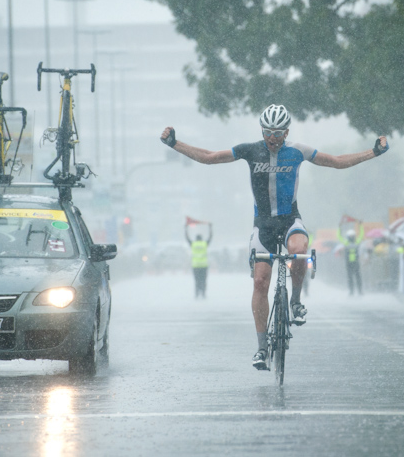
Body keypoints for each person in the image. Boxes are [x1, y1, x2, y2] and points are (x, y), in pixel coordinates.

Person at [159, 104, 389, 370]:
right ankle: (260, 348)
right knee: (260, 282)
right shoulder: (250, 150)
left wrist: (373, 152)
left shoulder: (298, 151)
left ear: (287, 132)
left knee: (300, 249)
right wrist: (175, 143)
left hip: (291, 219)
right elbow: (210, 157)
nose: (273, 138)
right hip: (263, 226)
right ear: (262, 131)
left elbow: (336, 162)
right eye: (269, 132)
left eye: (279, 133)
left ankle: (296, 301)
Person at [185, 222, 213, 298]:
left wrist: (186, 228)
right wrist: (210, 228)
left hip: (196, 266)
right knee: (203, 281)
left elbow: (187, 238)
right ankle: (203, 293)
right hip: (204, 266)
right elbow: (210, 237)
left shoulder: (193, 244)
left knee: (197, 281)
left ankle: (197, 294)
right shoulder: (204, 244)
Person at [337, 222, 365, 295]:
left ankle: (359, 291)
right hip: (350, 263)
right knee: (351, 278)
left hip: (354, 263)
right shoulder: (350, 243)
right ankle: (352, 291)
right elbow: (339, 237)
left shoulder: (352, 242)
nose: (352, 237)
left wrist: (360, 226)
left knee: (356, 278)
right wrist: (339, 228)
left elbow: (361, 235)